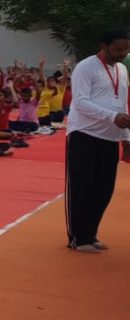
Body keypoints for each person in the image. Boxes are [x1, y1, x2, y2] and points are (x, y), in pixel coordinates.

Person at [64, 31, 130, 253]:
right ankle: (78, 237)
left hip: (109, 137)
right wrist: (112, 117)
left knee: (104, 190)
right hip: (84, 134)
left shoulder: (122, 69)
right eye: (118, 49)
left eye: (126, 49)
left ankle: (90, 233)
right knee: (82, 188)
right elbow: (80, 102)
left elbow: (122, 105)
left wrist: (126, 139)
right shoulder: (86, 67)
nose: (123, 53)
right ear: (104, 46)